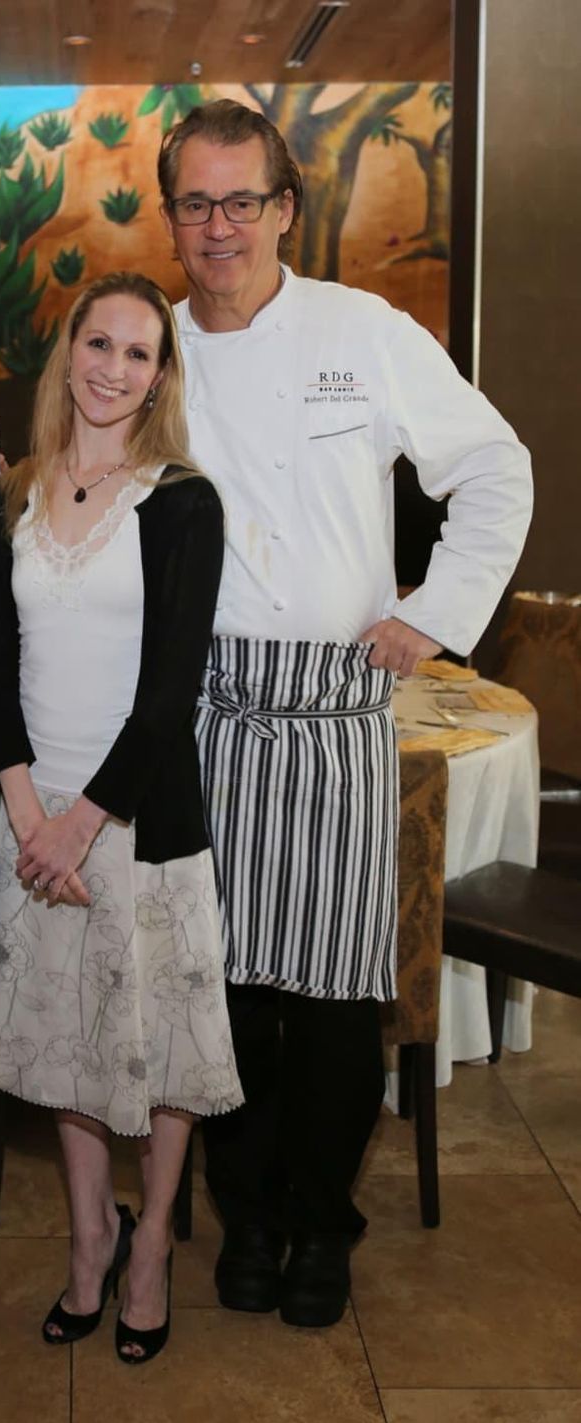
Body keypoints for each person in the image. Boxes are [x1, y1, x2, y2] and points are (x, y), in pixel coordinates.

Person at [156, 100, 533, 1327]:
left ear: (284, 209)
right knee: (219, 993)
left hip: (329, 706)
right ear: (171, 217)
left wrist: (431, 613)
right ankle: (245, 1216)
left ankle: (321, 1222)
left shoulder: (362, 331)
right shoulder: (146, 349)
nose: (220, 228)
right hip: (205, 706)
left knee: (327, 999)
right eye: (195, 203)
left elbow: (493, 467)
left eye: (242, 201)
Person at [0, 272, 243, 1365]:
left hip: (137, 820)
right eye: (98, 343)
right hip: (30, 816)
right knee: (63, 1049)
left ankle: (150, 1252)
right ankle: (89, 1238)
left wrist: (76, 826)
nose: (112, 368)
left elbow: (169, 690)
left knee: (154, 1052)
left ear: (160, 374)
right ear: (68, 351)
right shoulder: (11, 492)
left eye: (138, 353)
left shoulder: (182, 500)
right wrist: (25, 812)